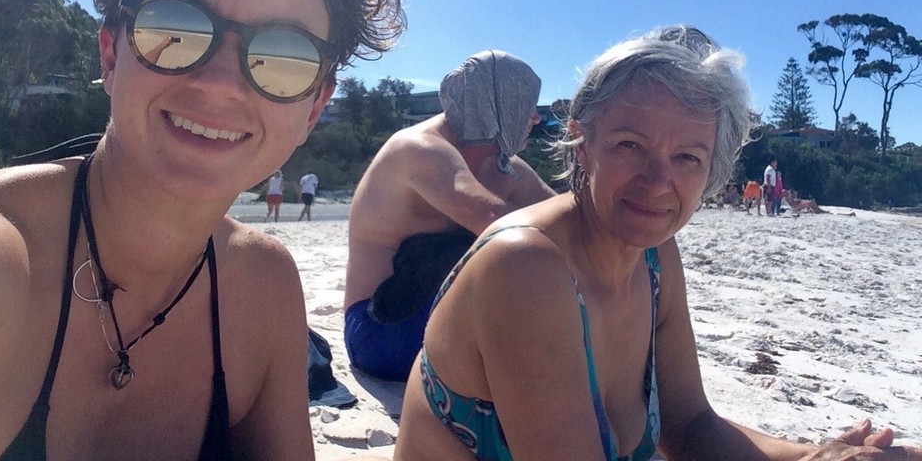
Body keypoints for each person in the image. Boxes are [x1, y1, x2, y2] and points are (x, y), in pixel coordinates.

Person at [0, 0, 405, 459]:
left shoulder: (262, 286)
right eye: (175, 25)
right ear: (112, 53)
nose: (221, 85)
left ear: (313, 106)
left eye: (284, 54)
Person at [394, 25, 919, 461]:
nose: (656, 182)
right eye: (630, 145)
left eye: (687, 157)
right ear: (582, 143)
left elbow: (689, 426)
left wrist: (820, 456)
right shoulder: (524, 266)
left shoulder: (653, 258)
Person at [343, 50, 556, 382]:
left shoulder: (506, 169)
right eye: (528, 106)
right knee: (511, 257)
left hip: (435, 321)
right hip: (380, 329)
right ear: (498, 103)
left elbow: (566, 216)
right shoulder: (418, 149)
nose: (536, 119)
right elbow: (496, 222)